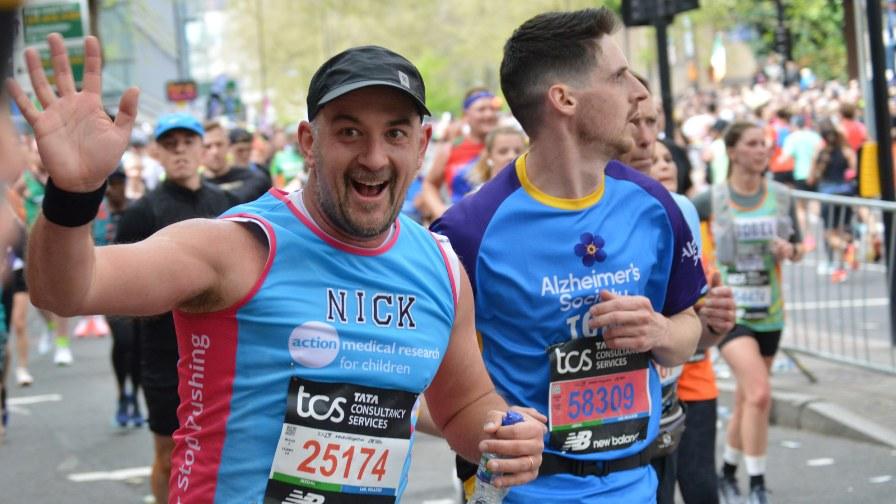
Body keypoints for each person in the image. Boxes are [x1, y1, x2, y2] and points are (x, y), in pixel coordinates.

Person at [10, 33, 544, 502]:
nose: (375, 157)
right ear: (309, 143)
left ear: (422, 145)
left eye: (396, 134)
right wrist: (72, 196)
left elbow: (464, 405)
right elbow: (67, 291)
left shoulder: (440, 269)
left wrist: (504, 432)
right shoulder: (239, 247)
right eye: (350, 132)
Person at [433, 8, 706, 503]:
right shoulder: (468, 231)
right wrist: (493, 424)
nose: (639, 93)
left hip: (639, 483)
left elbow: (688, 332)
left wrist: (660, 331)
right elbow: (419, 382)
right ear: (564, 99)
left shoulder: (654, 205)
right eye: (620, 76)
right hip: (523, 492)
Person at [620, 82, 735, 504]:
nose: (647, 138)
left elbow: (687, 340)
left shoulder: (678, 210)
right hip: (573, 451)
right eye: (635, 122)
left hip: (664, 416)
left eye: (653, 121)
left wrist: (712, 325)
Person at [692, 122, 803, 504]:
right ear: (733, 151)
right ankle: (756, 484)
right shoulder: (711, 199)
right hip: (730, 313)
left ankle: (727, 470)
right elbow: (685, 239)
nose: (763, 150)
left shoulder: (782, 196)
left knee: (745, 398)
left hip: (769, 311)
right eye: (753, 144)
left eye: (766, 144)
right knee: (758, 393)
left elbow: (799, 246)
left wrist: (789, 251)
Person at [93, 168, 143, 427]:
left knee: (136, 347)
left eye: (119, 183)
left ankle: (134, 395)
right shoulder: (98, 214)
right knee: (123, 341)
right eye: (110, 183)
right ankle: (121, 392)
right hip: (111, 290)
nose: (115, 188)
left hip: (140, 289)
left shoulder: (137, 208)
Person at [417, 87, 499, 219]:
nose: (489, 114)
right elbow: (429, 184)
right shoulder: (450, 149)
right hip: (462, 225)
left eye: (492, 109)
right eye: (481, 109)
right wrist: (441, 212)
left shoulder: (509, 147)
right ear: (466, 115)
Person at [201, 121, 271, 204]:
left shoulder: (256, 179)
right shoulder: (194, 188)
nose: (215, 151)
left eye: (219, 144)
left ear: (228, 145)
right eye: (207, 146)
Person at [465, 126, 527, 191]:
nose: (511, 156)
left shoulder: (534, 193)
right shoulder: (478, 195)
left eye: (518, 151)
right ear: (489, 156)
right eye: (503, 152)